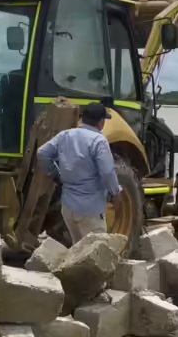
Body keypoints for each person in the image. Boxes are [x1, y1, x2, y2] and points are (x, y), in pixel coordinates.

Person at [36, 102, 122, 243]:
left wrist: (56, 175)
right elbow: (107, 173)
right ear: (101, 122)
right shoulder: (98, 141)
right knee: (97, 254)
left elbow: (42, 153)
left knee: (79, 252)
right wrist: (115, 193)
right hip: (90, 211)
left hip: (68, 209)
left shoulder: (65, 135)